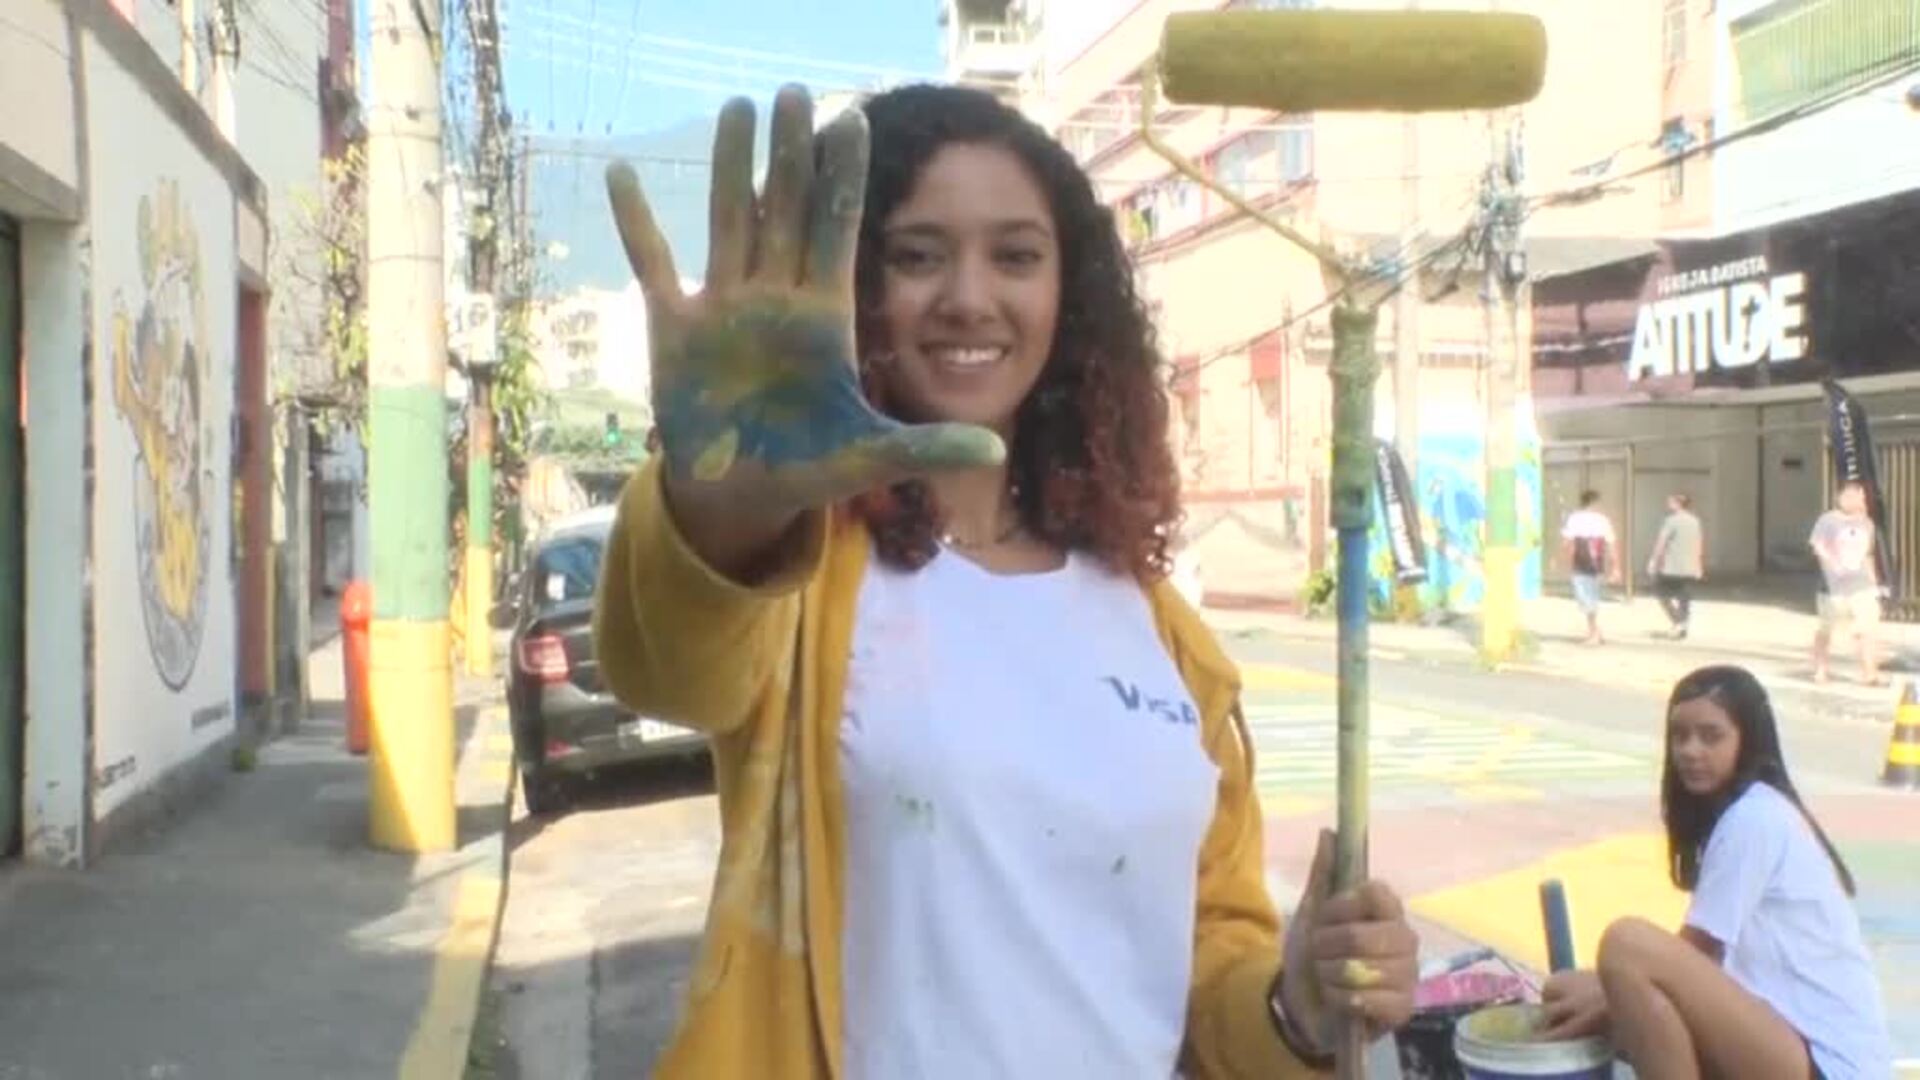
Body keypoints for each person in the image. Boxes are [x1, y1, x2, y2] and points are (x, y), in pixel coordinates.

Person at [593, 83, 1420, 1078]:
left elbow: (1209, 977)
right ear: (853, 284)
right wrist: (724, 500)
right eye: (918, 253)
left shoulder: (1165, 640)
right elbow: (674, 670)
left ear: (1068, 298)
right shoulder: (797, 571)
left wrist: (1297, 1003)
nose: (969, 297)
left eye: (1015, 255)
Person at [1540, 666, 1892, 1079]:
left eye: (1711, 736)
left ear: (1747, 741)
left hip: (1825, 1062)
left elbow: (1696, 952)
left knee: (1626, 945)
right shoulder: (1736, 814)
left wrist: (1601, 1007)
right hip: (1778, 1033)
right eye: (1679, 735)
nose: (1690, 750)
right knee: (1562, 990)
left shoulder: (1756, 817)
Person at [1810, 481, 1885, 686]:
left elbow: (1867, 554)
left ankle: (1870, 673)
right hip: (1832, 587)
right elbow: (1818, 548)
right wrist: (1832, 568)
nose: (1858, 500)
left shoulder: (1866, 523)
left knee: (1867, 629)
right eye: (1853, 495)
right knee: (1826, 629)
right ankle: (1820, 669)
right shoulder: (1828, 520)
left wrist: (1874, 583)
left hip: (1860, 585)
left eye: (1861, 496)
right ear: (1841, 496)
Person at [1562, 490, 1619, 645]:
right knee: (1590, 597)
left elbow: (1567, 542)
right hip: (1596, 563)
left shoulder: (1574, 518)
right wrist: (1616, 567)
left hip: (1579, 562)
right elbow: (1611, 544)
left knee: (1586, 598)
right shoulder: (1603, 520)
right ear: (1594, 503)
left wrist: (1562, 560)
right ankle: (1595, 631)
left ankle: (1594, 633)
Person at [1648, 493, 1705, 639]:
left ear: (1678, 504)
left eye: (1671, 501)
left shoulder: (1671, 521)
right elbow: (1699, 543)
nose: (1668, 503)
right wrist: (1698, 564)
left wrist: (1654, 561)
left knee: (1661, 593)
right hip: (1689, 566)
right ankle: (1682, 624)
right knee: (1684, 597)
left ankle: (1678, 621)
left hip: (1671, 565)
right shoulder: (1695, 521)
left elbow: (1661, 542)